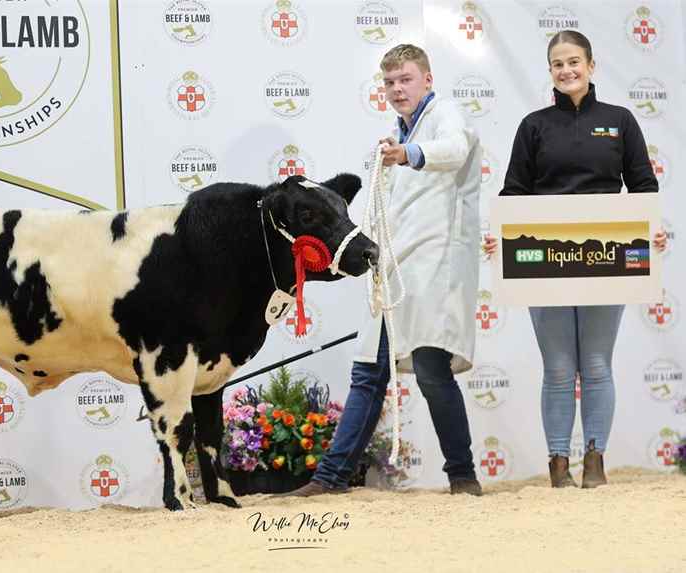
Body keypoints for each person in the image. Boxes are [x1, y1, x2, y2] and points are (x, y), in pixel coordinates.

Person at [283, 43, 483, 497]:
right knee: (369, 374)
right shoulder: (391, 138)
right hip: (392, 270)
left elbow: (455, 149)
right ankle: (329, 478)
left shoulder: (445, 116)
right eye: (390, 82)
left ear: (427, 80)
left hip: (435, 264)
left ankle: (463, 476)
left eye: (406, 79)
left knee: (432, 369)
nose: (397, 89)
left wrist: (408, 154)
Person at [483, 30, 667, 488]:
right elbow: (513, 193)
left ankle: (595, 461)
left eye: (574, 62)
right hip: (543, 262)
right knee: (560, 369)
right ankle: (558, 464)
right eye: (557, 64)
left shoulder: (620, 121)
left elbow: (643, 186)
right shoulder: (534, 125)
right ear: (550, 71)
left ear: (591, 65)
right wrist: (501, 241)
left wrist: (651, 231)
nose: (566, 70)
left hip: (607, 259)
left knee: (599, 364)